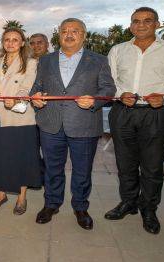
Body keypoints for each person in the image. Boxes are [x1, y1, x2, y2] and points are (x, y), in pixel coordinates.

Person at [105, 8, 164, 234]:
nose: (141, 25)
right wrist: (120, 93)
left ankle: (149, 208)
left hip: (157, 114)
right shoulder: (118, 50)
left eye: (147, 21)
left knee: (152, 166)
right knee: (125, 163)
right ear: (130, 25)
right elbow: (110, 81)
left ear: (157, 24)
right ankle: (128, 202)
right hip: (123, 112)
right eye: (136, 21)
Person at [31, 18, 116, 230]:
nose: (69, 34)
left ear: (84, 35)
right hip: (51, 124)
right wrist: (36, 97)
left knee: (82, 170)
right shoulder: (46, 60)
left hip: (84, 124)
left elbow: (108, 89)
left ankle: (80, 207)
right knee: (52, 168)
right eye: (64, 31)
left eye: (75, 31)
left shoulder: (99, 60)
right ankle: (51, 204)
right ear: (58, 35)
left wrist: (95, 101)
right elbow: (36, 87)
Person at [0, 28, 41, 215]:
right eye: (7, 39)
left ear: (23, 42)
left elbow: (26, 87)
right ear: (2, 42)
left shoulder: (31, 63)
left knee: (20, 157)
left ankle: (22, 197)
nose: (10, 43)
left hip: (19, 117)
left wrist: (17, 98)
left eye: (15, 40)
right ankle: (1, 194)